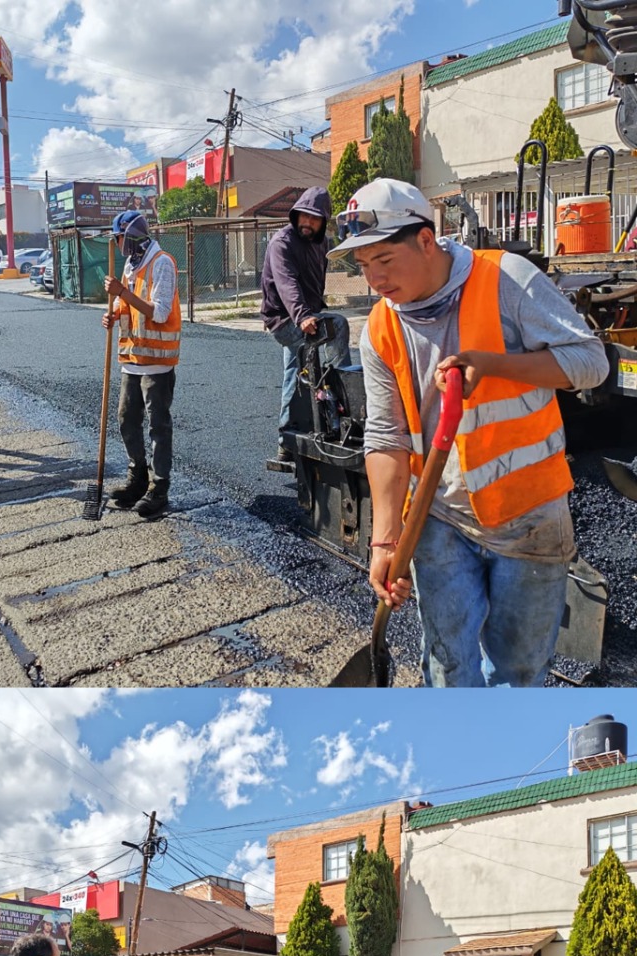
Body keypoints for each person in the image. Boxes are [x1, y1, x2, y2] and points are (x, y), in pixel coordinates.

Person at [330, 178, 607, 687]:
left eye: (384, 261)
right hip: (437, 518)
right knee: (447, 667)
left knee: (518, 671)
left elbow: (591, 364)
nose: (374, 280)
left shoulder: (505, 279)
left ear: (426, 240)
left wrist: (497, 366)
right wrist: (385, 540)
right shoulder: (378, 328)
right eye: (363, 266)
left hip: (528, 516)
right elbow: (386, 436)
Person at [260, 186, 351, 461]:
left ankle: (286, 439)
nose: (307, 223)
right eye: (304, 216)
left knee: (295, 370)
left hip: (304, 316)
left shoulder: (321, 242)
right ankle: (345, 400)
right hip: (285, 320)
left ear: (323, 221)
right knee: (338, 325)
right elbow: (287, 283)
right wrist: (302, 316)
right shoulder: (282, 242)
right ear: (295, 215)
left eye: (315, 218)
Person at [102, 210, 180, 518]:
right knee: (126, 420)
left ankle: (159, 488)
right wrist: (115, 312)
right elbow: (126, 303)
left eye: (119, 238)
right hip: (131, 359)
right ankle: (138, 478)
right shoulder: (131, 265)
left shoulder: (162, 263)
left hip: (157, 363)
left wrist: (123, 294)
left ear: (131, 235)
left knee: (158, 426)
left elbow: (159, 313)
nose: (117, 244)